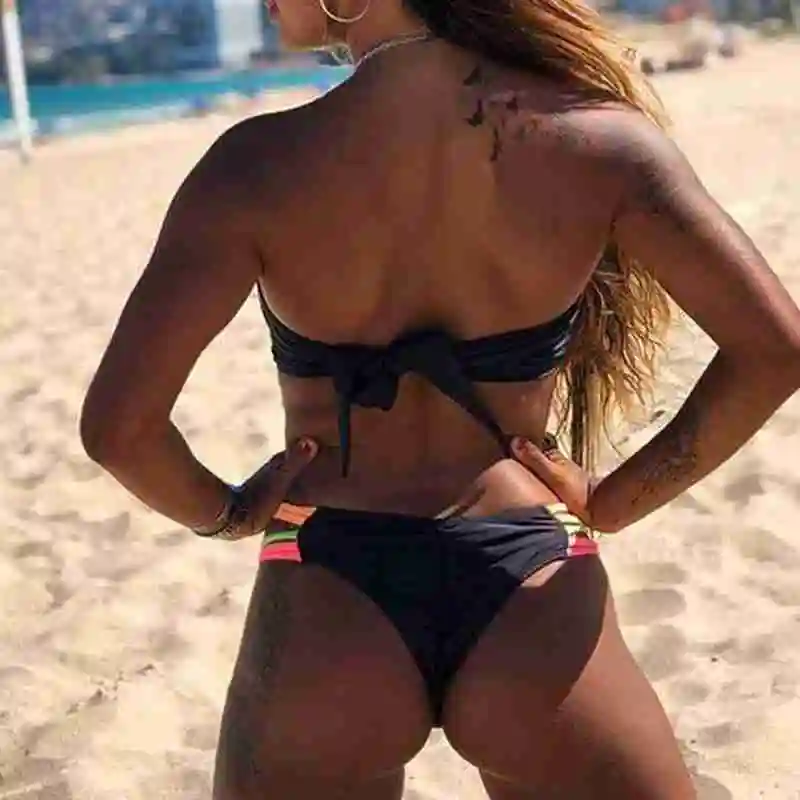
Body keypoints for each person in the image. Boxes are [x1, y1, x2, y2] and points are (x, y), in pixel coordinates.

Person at [79, 0, 800, 794]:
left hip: (326, 588)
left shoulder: (254, 164)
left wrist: (226, 511)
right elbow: (775, 351)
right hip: (531, 582)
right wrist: (618, 501)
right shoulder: (599, 141)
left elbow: (120, 431)